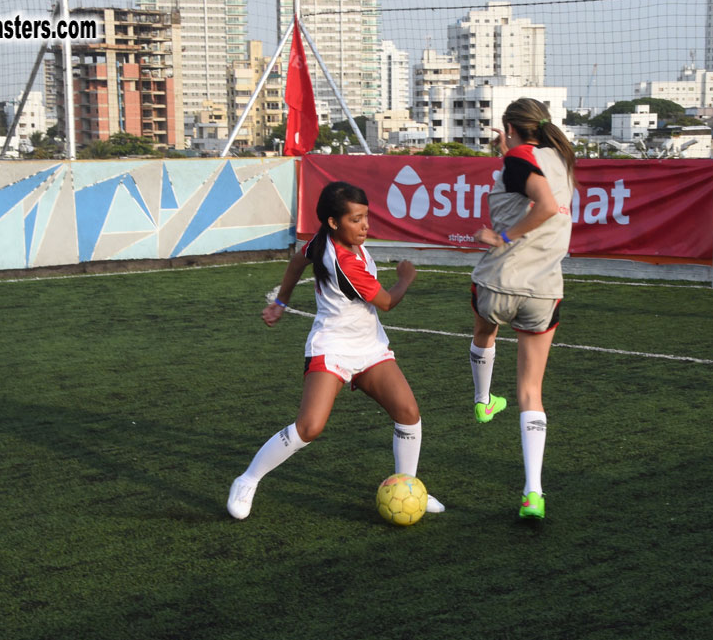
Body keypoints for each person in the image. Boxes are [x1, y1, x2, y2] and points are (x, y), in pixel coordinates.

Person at [227, 180, 444, 520]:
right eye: (355, 219)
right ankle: (247, 479)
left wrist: (282, 302)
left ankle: (409, 487)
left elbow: (298, 259)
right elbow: (387, 302)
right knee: (309, 427)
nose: (365, 226)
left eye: (366, 217)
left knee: (408, 413)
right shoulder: (344, 261)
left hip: (370, 347)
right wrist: (405, 277)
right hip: (332, 347)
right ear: (333, 222)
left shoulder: (323, 239)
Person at [469, 97, 576, 520]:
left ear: (510, 128)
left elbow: (543, 204)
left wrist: (504, 237)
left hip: (499, 281)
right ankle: (533, 492)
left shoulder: (518, 157)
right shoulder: (562, 159)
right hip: (544, 289)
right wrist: (508, 153)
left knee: (483, 331)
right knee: (532, 393)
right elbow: (542, 192)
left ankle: (482, 398)